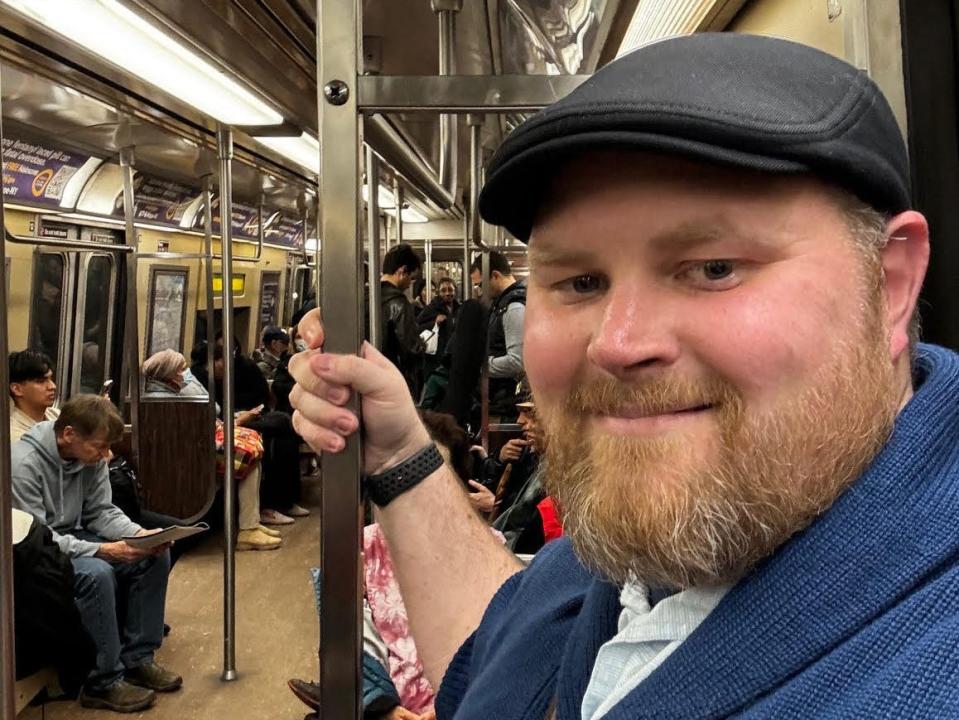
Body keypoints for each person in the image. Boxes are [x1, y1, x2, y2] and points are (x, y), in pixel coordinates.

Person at [288, 33, 959, 718]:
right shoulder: (648, 540)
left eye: (713, 268)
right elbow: (502, 660)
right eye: (580, 281)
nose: (617, 343)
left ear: (891, 284)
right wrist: (399, 454)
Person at [12, 395, 182, 713]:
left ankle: (138, 658)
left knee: (153, 556)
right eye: (100, 447)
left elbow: (102, 512)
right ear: (68, 435)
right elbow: (39, 541)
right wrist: (104, 550)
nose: (106, 455)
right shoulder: (22, 465)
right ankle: (101, 681)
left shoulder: (89, 459)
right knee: (97, 573)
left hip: (74, 537)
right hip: (37, 554)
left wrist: (138, 535)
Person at [142, 350, 281, 551]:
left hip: (191, 451)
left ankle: (252, 523)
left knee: (250, 452)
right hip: (191, 458)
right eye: (182, 369)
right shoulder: (171, 400)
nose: (187, 373)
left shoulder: (168, 391)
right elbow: (210, 411)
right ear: (170, 374)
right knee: (247, 458)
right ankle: (248, 529)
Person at [470, 251, 526, 421]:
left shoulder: (514, 307)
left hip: (507, 402)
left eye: (480, 285)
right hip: (499, 398)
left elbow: (517, 362)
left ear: (495, 275)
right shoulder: (501, 304)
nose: (479, 291)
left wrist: (480, 366)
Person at [380, 243, 426, 394]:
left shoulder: (363, 297)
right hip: (392, 380)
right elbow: (411, 349)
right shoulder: (399, 303)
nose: (409, 285)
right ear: (402, 271)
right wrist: (421, 345)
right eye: (411, 279)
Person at [9, 349, 60, 444]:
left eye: (50, 379)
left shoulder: (57, 415)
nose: (53, 386)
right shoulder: (14, 436)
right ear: (17, 389)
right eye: (41, 381)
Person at [417, 278, 460, 382]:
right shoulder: (432, 307)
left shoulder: (459, 308)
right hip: (435, 358)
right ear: (438, 293)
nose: (448, 293)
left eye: (450, 290)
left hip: (453, 356)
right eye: (443, 290)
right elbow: (417, 326)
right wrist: (434, 323)